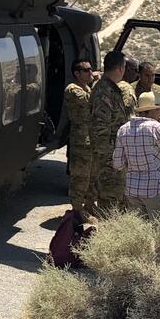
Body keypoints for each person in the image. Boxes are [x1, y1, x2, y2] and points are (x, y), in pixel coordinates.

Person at [113, 92, 160, 218]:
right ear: (151, 110)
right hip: (155, 189)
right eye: (159, 110)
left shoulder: (123, 129)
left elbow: (117, 164)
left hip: (132, 190)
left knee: (142, 233)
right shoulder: (155, 127)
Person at [89, 50, 132, 215]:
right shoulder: (104, 91)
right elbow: (101, 128)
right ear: (121, 68)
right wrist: (111, 161)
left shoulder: (110, 89)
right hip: (110, 162)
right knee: (109, 207)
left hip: (115, 158)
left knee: (118, 205)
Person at [62, 60, 97, 217]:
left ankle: (89, 205)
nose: (91, 73)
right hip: (80, 141)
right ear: (77, 73)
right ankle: (76, 209)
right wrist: (98, 84)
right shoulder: (72, 89)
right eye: (86, 70)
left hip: (90, 139)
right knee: (80, 176)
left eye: (91, 70)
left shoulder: (87, 88)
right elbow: (89, 102)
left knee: (91, 176)